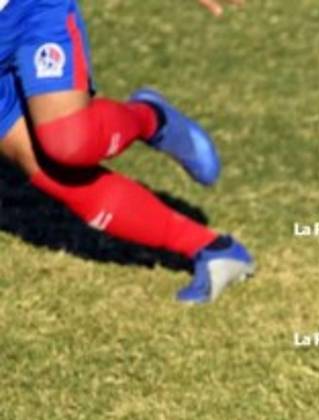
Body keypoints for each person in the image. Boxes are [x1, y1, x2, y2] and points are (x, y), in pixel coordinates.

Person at [0, 0, 253, 303]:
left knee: (69, 142)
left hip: (28, 11)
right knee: (50, 171)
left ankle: (151, 118)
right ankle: (215, 250)